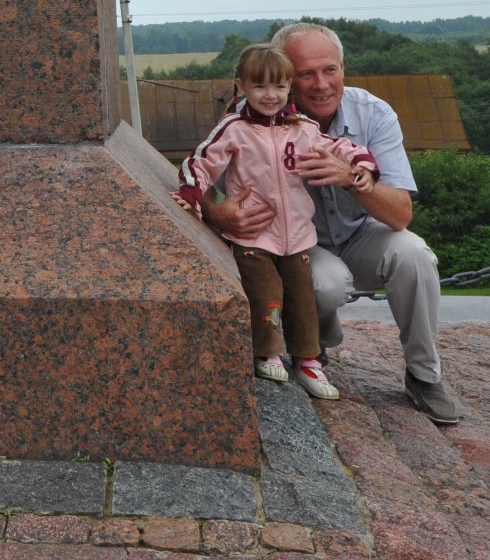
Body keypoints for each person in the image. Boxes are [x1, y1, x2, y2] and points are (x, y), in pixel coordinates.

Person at [199, 22, 463, 424]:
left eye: (330, 70)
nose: (321, 84)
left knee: (415, 255)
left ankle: (424, 375)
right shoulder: (248, 119)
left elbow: (399, 215)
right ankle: (313, 345)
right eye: (305, 73)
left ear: (343, 68)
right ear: (284, 75)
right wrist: (217, 210)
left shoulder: (373, 113)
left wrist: (352, 179)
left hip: (360, 234)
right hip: (297, 246)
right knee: (324, 283)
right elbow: (204, 182)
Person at [176, 43, 378, 400]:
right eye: (261, 87)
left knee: (302, 299)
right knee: (266, 295)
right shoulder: (234, 128)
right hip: (254, 238)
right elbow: (201, 162)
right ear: (242, 86)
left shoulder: (301, 128)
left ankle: (308, 360)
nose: (271, 96)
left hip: (297, 237)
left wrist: (362, 165)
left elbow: (338, 146)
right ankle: (267, 351)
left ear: (288, 88)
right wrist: (193, 197)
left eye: (279, 87)